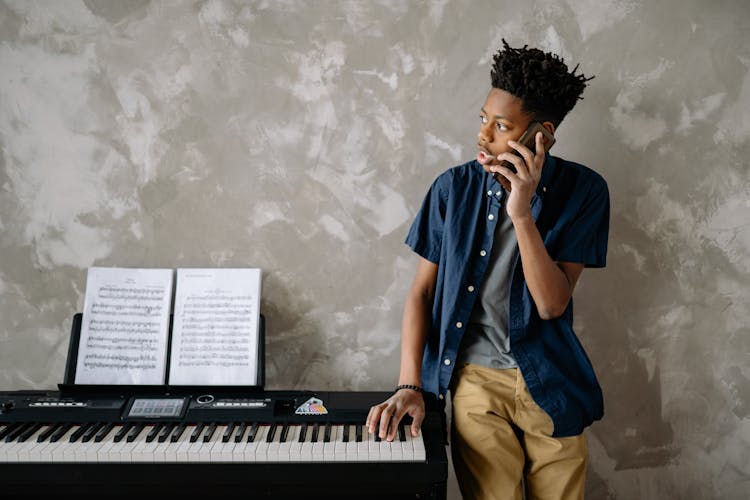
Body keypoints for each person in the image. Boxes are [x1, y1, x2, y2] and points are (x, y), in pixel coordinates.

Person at [366, 40, 609, 500]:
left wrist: (522, 213)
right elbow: (421, 293)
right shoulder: (450, 190)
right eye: (483, 119)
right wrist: (408, 384)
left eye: (501, 126)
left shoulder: (585, 191)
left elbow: (552, 303)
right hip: (476, 384)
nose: (483, 136)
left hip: (552, 382)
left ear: (542, 133)